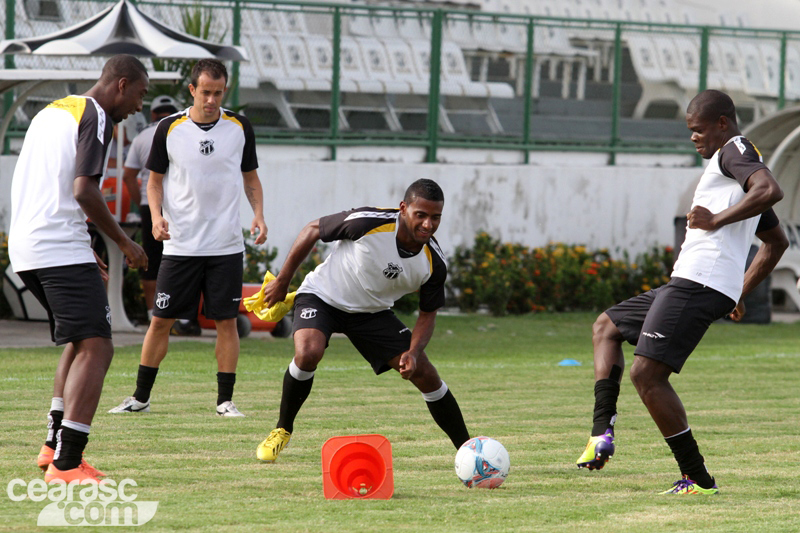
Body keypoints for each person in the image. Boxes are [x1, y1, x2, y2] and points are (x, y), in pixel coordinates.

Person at [575, 89, 789, 494]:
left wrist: (716, 220)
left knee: (647, 375)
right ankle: (602, 433)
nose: (693, 137)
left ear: (723, 124)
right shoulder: (732, 174)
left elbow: (770, 189)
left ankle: (697, 478)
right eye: (690, 131)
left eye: (698, 129)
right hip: (697, 281)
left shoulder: (735, 149)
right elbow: (776, 242)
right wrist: (739, 290)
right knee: (606, 326)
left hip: (699, 281)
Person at [255, 178, 470, 462]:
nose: (428, 224)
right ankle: (282, 429)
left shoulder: (434, 262)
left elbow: (428, 314)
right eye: (421, 215)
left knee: (426, 374)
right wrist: (283, 281)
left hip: (372, 313)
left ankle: (469, 451)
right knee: (308, 353)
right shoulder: (367, 222)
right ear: (403, 209)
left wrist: (414, 352)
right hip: (323, 296)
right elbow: (313, 229)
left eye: (435, 217)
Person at [8, 55, 150, 483]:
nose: (140, 106)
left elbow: (48, 187)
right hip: (56, 246)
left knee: (78, 340)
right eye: (140, 95)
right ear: (121, 85)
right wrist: (125, 243)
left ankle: (52, 446)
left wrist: (86, 248)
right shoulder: (98, 116)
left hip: (29, 246)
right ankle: (68, 463)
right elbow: (84, 190)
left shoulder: (52, 111)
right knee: (98, 347)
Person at [109, 59, 267, 417]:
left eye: (218, 93)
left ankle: (225, 401)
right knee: (161, 320)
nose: (212, 99)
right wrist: (156, 216)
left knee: (226, 322)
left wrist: (258, 214)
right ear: (192, 90)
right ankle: (140, 397)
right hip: (181, 246)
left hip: (225, 246)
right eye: (206, 92)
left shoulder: (240, 128)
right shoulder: (169, 128)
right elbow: (153, 182)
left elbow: (251, 179)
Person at [122, 94, 180, 323]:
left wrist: (140, 201)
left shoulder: (142, 136)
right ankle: (182, 318)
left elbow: (128, 175)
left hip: (150, 206)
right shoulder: (182, 132)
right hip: (179, 206)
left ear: (153, 113)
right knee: (183, 259)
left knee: (151, 262)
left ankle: (151, 314)